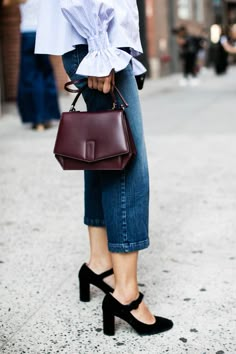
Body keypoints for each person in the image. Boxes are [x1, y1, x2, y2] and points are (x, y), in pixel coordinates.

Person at [35, 0, 173, 336]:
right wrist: (100, 49)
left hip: (93, 42)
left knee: (105, 155)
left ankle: (99, 263)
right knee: (127, 164)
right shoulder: (98, 47)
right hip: (96, 44)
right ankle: (125, 293)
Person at [16, 0, 60, 131]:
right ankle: (47, 118)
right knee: (45, 75)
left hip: (27, 33)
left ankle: (38, 119)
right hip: (42, 34)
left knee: (30, 77)